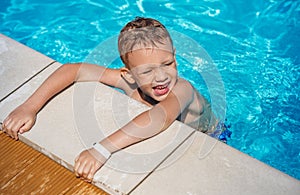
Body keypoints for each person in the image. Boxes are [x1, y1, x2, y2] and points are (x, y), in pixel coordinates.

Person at [1, 17, 231, 182]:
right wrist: (30, 107)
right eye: (147, 71)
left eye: (168, 64)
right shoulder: (127, 82)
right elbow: (74, 70)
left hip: (211, 136)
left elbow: (160, 117)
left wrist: (102, 149)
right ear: (129, 74)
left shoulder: (183, 89)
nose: (161, 77)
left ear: (175, 61)